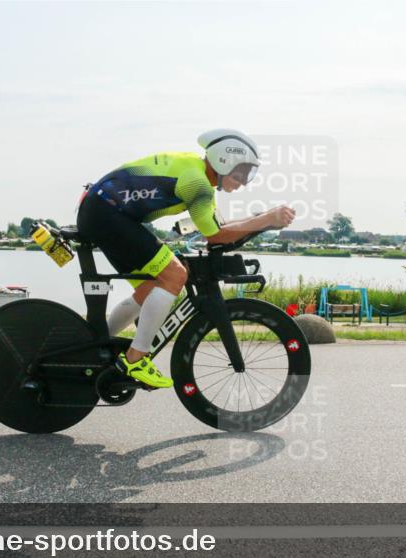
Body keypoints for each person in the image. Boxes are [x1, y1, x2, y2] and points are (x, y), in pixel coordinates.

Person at [76, 128, 296, 389]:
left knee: (150, 287)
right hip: (108, 214)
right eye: (242, 173)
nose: (243, 182)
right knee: (175, 275)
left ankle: (93, 348)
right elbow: (216, 236)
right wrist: (266, 219)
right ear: (224, 161)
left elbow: (220, 226)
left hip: (103, 211)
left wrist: (263, 219)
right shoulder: (198, 185)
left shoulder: (197, 174)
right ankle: (136, 359)